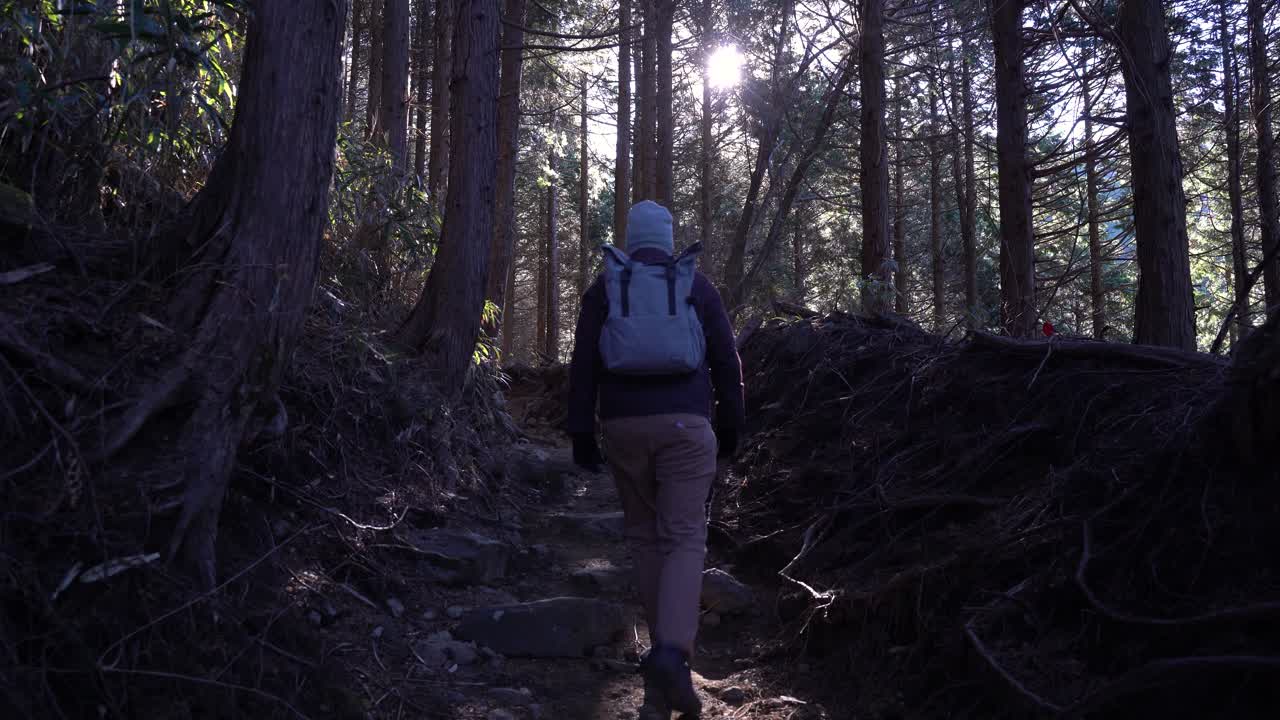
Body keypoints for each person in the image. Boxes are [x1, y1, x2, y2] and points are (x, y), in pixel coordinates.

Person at [568, 200, 745, 719]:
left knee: (645, 535)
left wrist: (581, 431)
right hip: (687, 428)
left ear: (630, 237)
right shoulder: (694, 284)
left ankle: (660, 660)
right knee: (686, 535)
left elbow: (583, 363)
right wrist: (732, 424)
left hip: (623, 427)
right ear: (668, 240)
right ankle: (672, 653)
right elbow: (725, 357)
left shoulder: (607, 287)